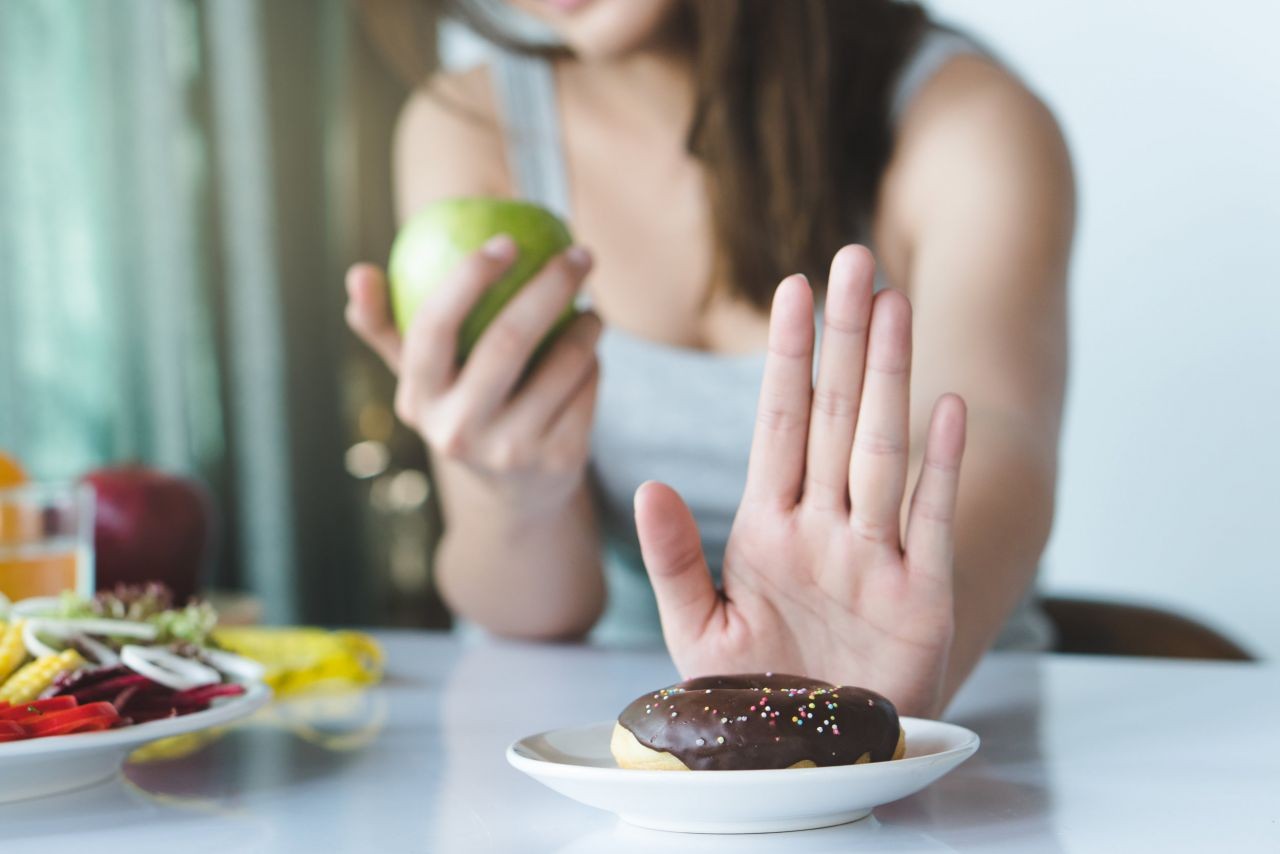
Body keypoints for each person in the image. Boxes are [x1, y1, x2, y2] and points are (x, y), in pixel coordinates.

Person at [346, 0, 1073, 717]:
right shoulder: (471, 127)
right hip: (623, 737)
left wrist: (874, 676)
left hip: (949, 720)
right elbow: (540, 618)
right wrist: (511, 494)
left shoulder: (966, 119)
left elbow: (999, 441)